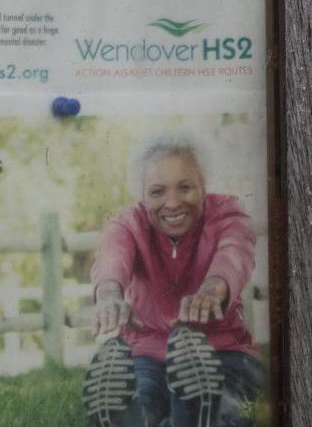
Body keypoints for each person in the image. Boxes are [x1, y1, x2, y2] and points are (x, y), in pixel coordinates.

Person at [89, 138, 263, 427]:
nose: (172, 203)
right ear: (142, 198)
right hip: (147, 353)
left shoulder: (227, 215)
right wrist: (109, 294)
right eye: (157, 192)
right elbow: (112, 255)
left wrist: (212, 289)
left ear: (203, 187)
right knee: (145, 398)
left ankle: (192, 410)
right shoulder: (128, 224)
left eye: (185, 187)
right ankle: (151, 414)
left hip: (226, 351)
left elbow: (235, 253)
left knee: (224, 407)